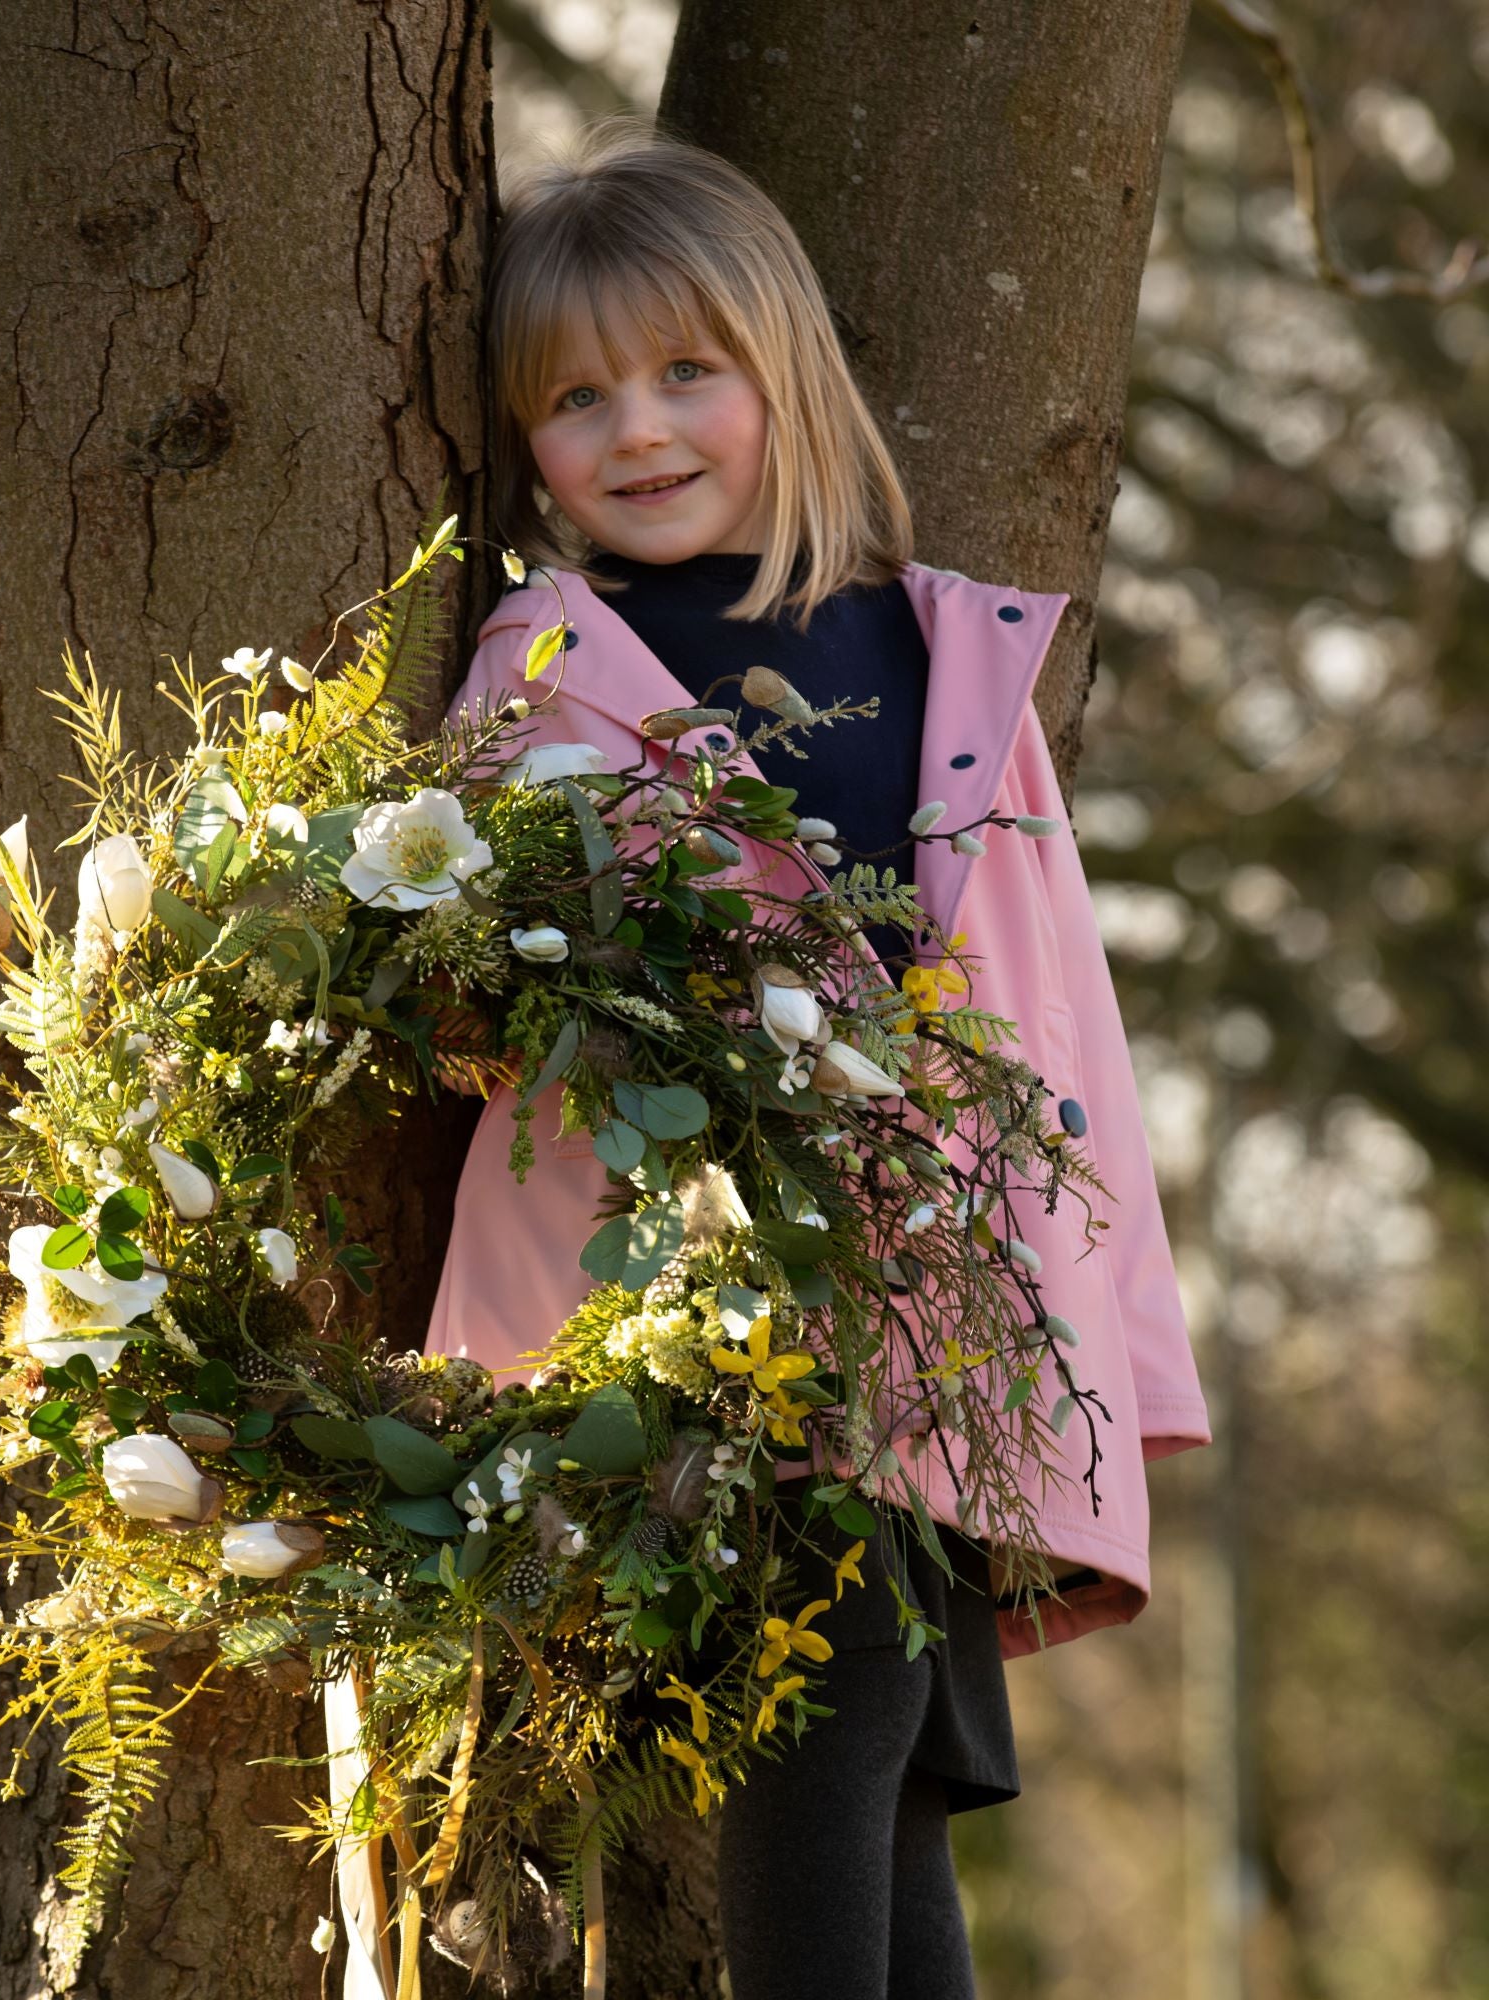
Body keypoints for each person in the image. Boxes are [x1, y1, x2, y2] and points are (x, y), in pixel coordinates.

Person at [423, 120, 1212, 1997]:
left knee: (917, 1761)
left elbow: (1061, 1015)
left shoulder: (945, 658)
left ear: (786, 372)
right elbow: (483, 1003)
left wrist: (1121, 1342)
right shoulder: (547, 675)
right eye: (578, 397)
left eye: (689, 372)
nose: (639, 430)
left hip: (948, 1331)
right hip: (701, 1329)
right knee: (825, 1709)